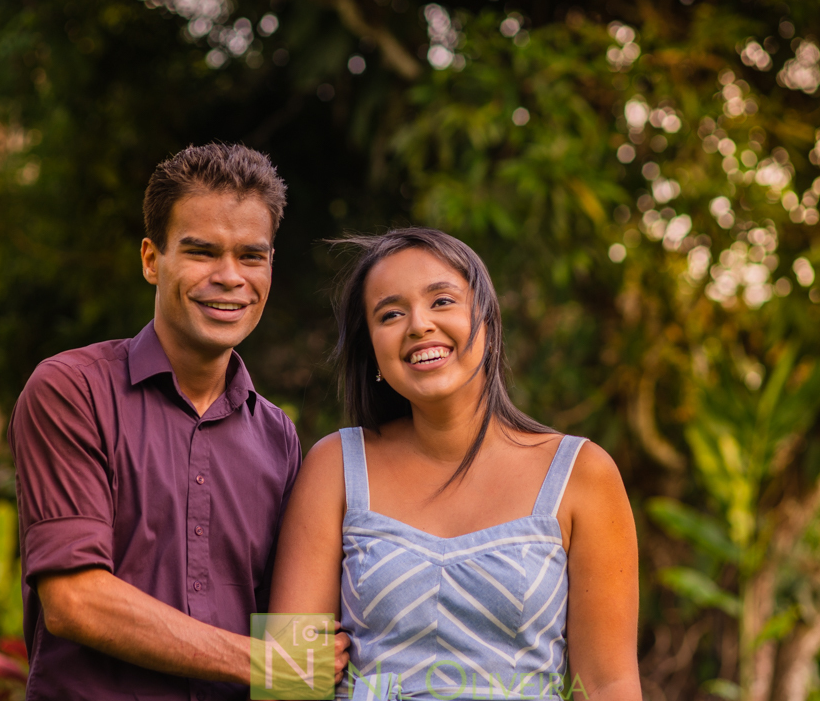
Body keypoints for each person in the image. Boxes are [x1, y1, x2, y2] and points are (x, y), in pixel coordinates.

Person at [8, 143, 348, 701]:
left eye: (251, 256)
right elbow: (75, 600)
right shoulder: (72, 391)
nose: (230, 277)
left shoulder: (279, 438)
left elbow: (299, 638)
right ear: (150, 259)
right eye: (201, 252)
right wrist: (264, 661)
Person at [270, 228, 641, 700]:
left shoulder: (581, 473)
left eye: (441, 301)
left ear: (486, 320)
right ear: (375, 354)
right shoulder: (335, 466)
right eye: (390, 314)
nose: (419, 324)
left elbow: (609, 683)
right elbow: (286, 679)